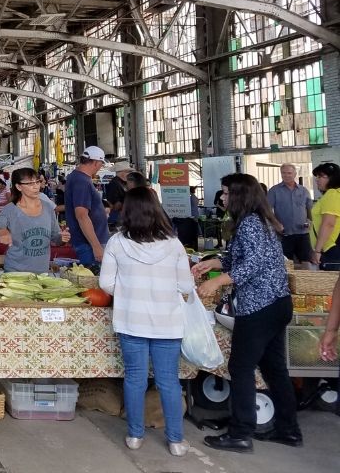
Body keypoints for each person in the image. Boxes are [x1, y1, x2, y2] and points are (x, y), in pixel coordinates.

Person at [194, 173, 300, 451]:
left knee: (240, 367)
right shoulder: (257, 221)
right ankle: (288, 430)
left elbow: (251, 265)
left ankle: (240, 433)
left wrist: (217, 281)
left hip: (260, 306)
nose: (223, 198)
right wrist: (213, 263)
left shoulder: (251, 223)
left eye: (227, 193)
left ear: (240, 195)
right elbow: (239, 257)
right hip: (278, 304)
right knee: (274, 368)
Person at [99, 187, 194, 456]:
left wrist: (129, 294)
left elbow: (105, 283)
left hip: (131, 321)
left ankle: (134, 436)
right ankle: (176, 441)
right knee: (168, 381)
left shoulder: (117, 242)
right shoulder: (174, 243)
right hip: (168, 322)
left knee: (135, 379)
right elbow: (186, 284)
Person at [0, 168, 69, 273]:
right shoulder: (10, 209)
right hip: (16, 273)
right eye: (30, 183)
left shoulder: (48, 208)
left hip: (42, 273)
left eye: (37, 182)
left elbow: (56, 238)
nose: (36, 186)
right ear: (19, 186)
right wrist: (3, 232)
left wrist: (63, 238)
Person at [65, 146, 110, 265]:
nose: (101, 167)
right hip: (89, 245)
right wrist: (96, 246)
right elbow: (82, 215)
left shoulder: (77, 177)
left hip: (87, 243)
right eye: (101, 163)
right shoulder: (82, 181)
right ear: (95, 162)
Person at [266, 164, 313, 265]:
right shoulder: (274, 191)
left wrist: (309, 221)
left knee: (306, 262)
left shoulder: (303, 191)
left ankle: (304, 280)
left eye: (289, 173)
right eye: (283, 173)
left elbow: (309, 209)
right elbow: (267, 210)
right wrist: (276, 224)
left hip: (303, 233)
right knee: (287, 264)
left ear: (295, 174)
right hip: (284, 234)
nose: (286, 175)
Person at [310, 161, 340, 269]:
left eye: (322, 176)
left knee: (331, 285)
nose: (317, 179)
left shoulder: (332, 194)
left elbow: (328, 224)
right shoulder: (334, 194)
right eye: (317, 176)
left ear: (333, 178)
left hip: (331, 249)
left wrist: (317, 250)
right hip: (332, 248)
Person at [104, 162, 132, 230]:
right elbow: (113, 205)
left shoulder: (123, 183)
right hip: (118, 216)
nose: (129, 174)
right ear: (121, 172)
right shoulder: (114, 183)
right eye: (128, 172)